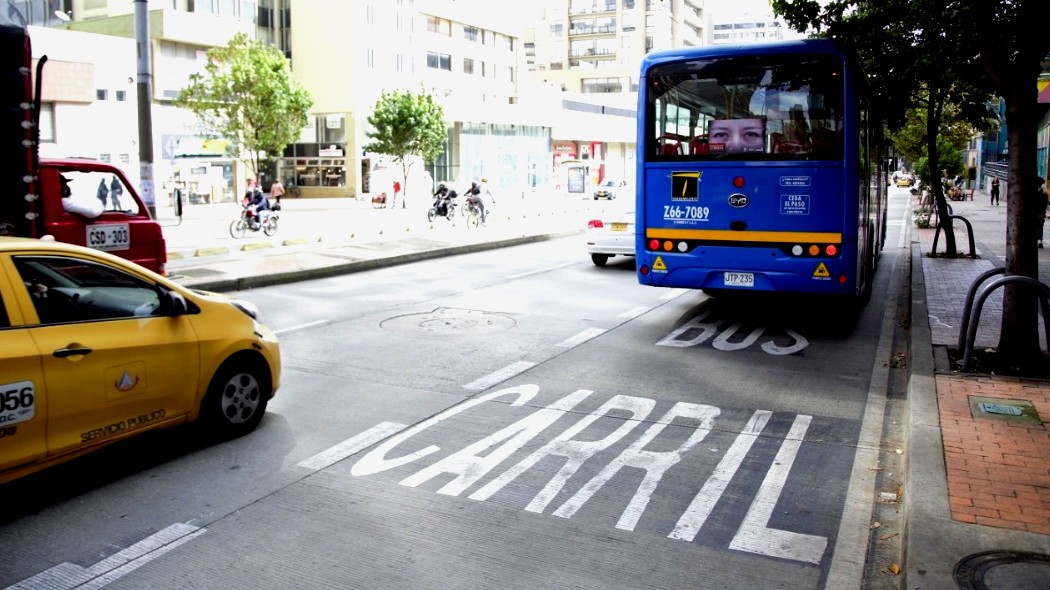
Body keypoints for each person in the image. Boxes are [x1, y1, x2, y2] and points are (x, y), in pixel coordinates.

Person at [1036, 177, 1048, 248]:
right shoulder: (1044, 194)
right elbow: (1045, 205)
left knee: (1037, 226)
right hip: (1041, 213)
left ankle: (1038, 239)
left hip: (1036, 213)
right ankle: (1039, 240)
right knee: (1040, 226)